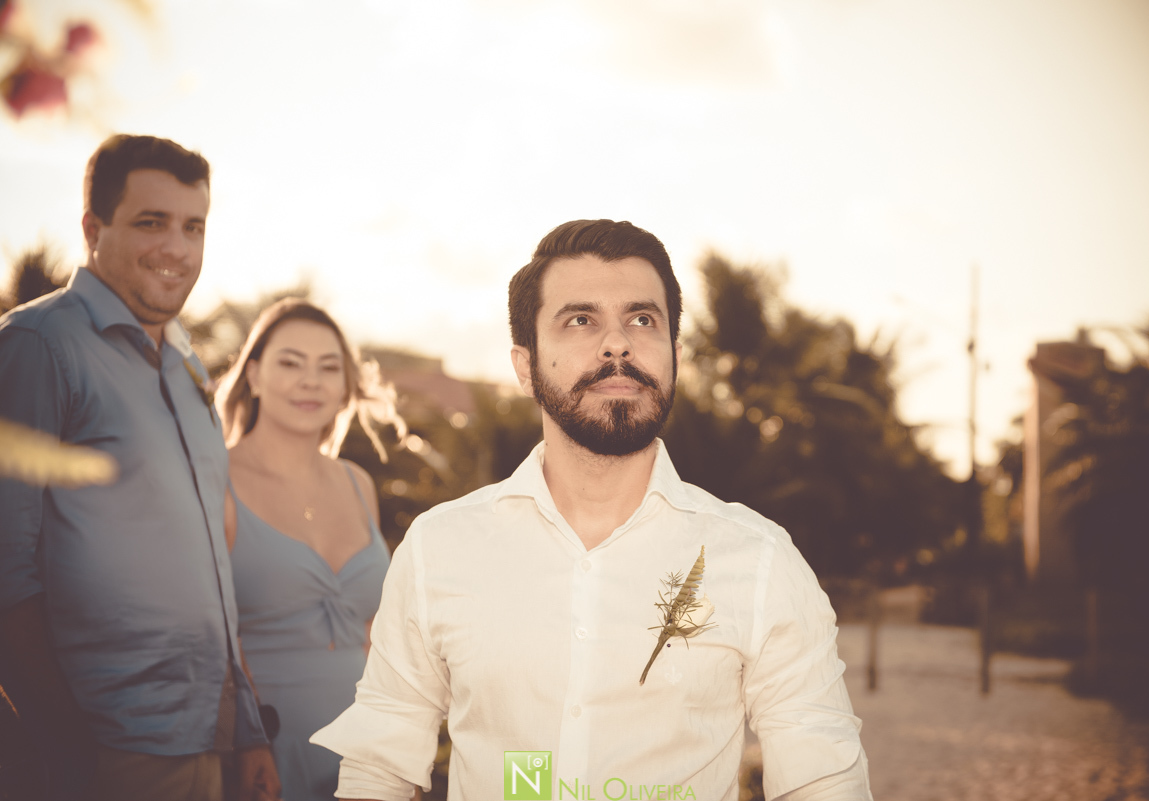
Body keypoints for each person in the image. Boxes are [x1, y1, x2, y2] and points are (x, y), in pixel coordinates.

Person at [311, 219, 873, 800]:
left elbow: (822, 777)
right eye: (581, 320)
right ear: (526, 367)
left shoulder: (759, 562)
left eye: (642, 319)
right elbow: (380, 763)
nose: (618, 344)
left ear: (674, 356)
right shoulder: (438, 549)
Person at [0, 134, 279, 801]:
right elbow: (6, 565)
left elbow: (211, 569)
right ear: (93, 228)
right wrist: (67, 746)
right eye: (151, 222)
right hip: (108, 749)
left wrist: (245, 729)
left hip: (206, 740)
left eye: (193, 227)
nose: (177, 249)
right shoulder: (38, 345)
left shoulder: (187, 369)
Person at [215, 298, 398, 801]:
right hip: (266, 751)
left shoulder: (359, 484)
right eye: (290, 363)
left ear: (345, 387)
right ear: (254, 374)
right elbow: (207, 634)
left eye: (328, 367)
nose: (310, 381)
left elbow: (372, 636)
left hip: (365, 752)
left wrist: (395, 744)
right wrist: (248, 742)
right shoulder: (215, 481)